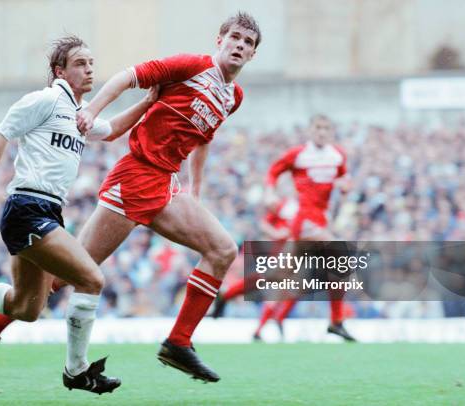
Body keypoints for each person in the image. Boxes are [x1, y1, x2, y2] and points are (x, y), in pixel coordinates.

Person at [0, 36, 159, 393]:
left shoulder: (81, 112)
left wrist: (149, 102)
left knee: (26, 307)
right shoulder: (45, 101)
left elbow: (113, 130)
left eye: (91, 63)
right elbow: (0, 134)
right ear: (60, 71)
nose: (89, 69)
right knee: (91, 279)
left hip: (45, 212)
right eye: (80, 63)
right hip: (27, 209)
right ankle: (76, 371)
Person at [70, 11, 260, 382]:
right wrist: (91, 110)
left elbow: (203, 137)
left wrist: (196, 191)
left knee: (223, 250)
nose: (240, 45)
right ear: (219, 39)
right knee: (71, 273)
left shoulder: (233, 96)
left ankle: (179, 343)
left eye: (248, 42)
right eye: (235, 37)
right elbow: (130, 76)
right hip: (136, 177)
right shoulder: (191, 66)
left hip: (165, 185)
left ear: (252, 55)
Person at [215, 115, 357, 342]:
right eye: (317, 128)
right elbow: (273, 171)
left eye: (326, 128)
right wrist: (270, 190)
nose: (321, 132)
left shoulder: (337, 155)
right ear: (311, 131)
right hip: (305, 221)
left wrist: (346, 186)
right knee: (340, 253)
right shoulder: (298, 154)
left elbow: (344, 178)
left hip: (319, 222)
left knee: (276, 276)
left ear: (331, 132)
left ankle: (226, 295)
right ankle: (336, 321)